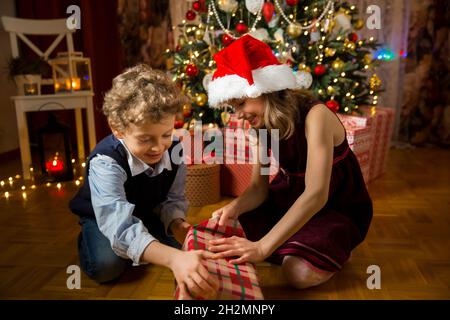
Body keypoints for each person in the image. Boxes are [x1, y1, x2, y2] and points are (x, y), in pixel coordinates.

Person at [207, 35, 373, 289]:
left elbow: (317, 194)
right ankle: (290, 242)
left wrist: (262, 247)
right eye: (233, 107)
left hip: (333, 206)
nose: (239, 114)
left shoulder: (316, 116)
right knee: (223, 230)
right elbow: (258, 188)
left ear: (265, 91)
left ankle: (325, 248)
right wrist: (235, 208)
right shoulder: (260, 124)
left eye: (241, 103)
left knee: (298, 274)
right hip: (288, 198)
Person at [69, 64, 218, 298]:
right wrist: (173, 258)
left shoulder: (175, 151)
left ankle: (141, 244)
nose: (158, 147)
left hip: (148, 213)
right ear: (117, 129)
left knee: (188, 247)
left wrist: (178, 225)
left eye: (166, 135)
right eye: (145, 138)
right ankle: (91, 240)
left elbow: (173, 199)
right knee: (107, 267)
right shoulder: (105, 161)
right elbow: (119, 224)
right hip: (104, 217)